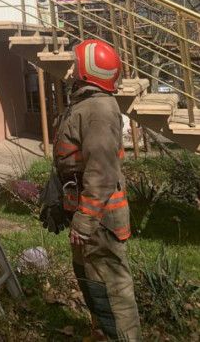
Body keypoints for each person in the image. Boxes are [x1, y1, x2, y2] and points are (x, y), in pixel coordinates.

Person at [54, 39, 141, 341]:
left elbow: (101, 172)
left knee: (112, 295)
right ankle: (102, 335)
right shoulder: (87, 105)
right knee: (94, 286)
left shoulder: (98, 110)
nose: (71, 71)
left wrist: (85, 220)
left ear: (87, 71)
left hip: (100, 221)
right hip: (91, 217)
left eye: (75, 65)